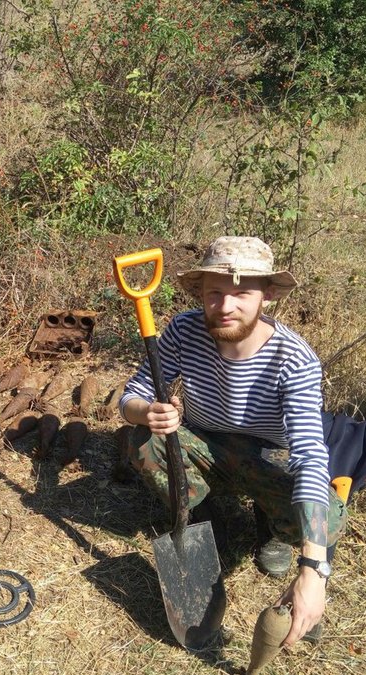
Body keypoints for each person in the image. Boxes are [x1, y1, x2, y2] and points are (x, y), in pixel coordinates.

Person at [119, 236, 340, 647]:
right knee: (142, 441)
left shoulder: (295, 360)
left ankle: (271, 527)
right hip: (205, 441)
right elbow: (133, 393)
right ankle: (205, 517)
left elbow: (310, 455)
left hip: (267, 455)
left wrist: (313, 570)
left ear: (268, 296)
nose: (224, 307)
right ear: (201, 293)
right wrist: (146, 411)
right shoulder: (185, 330)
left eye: (241, 294)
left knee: (329, 517)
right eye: (214, 293)